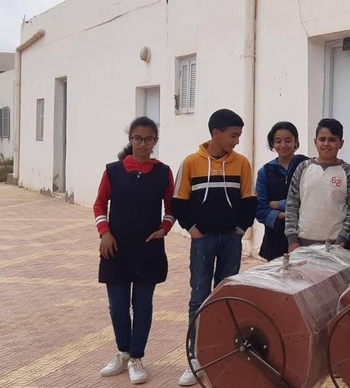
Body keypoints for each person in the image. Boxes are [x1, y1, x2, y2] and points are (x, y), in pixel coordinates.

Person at [173, 109, 256, 386]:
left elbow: (249, 200)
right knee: (199, 295)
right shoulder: (191, 163)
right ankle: (195, 356)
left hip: (231, 240)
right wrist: (191, 228)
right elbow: (179, 201)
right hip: (203, 239)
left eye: (239, 135)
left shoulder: (242, 163)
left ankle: (221, 353)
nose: (236, 140)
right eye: (233, 135)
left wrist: (241, 229)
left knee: (226, 296)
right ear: (216, 133)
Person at [94, 116, 175, 385]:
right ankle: (123, 353)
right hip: (115, 248)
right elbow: (99, 204)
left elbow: (172, 208)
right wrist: (104, 233)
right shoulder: (114, 171)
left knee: (142, 305)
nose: (143, 144)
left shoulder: (163, 172)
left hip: (149, 249)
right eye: (137, 139)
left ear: (155, 141)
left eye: (148, 139)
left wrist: (164, 228)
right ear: (130, 140)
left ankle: (137, 357)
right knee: (117, 307)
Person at [285, 118, 350, 250]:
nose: (326, 144)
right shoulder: (303, 168)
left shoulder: (348, 171)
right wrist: (292, 239)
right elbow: (292, 204)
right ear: (315, 142)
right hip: (301, 243)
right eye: (322, 139)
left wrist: (343, 238)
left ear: (341, 143)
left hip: (335, 244)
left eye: (332, 139)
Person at [255, 121, 309, 260]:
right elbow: (260, 211)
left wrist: (278, 205)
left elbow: (310, 201)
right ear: (272, 143)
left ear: (296, 141)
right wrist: (290, 214)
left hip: (305, 236)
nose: (283, 145)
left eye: (288, 140)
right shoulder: (265, 172)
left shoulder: (307, 166)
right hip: (274, 239)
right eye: (278, 141)